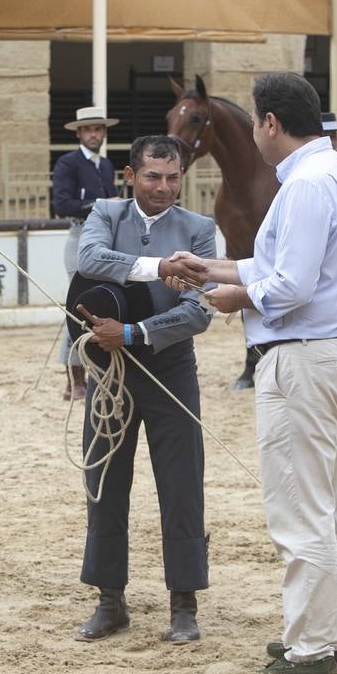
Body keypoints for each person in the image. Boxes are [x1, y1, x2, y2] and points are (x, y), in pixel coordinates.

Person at [165, 73, 337, 674]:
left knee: (299, 508)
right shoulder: (332, 173)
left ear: (271, 123)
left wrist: (233, 297)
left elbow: (288, 286)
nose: (254, 132)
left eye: (256, 121)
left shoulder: (305, 185)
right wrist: (215, 268)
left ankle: (312, 646)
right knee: (330, 504)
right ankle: (327, 632)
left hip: (303, 360)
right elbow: (278, 263)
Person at [71, 134, 216, 645]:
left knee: (181, 485)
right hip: (110, 373)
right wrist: (160, 269)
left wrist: (132, 333)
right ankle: (110, 600)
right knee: (105, 481)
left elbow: (199, 310)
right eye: (153, 176)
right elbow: (89, 259)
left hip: (170, 365)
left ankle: (184, 603)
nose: (164, 187)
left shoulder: (199, 229)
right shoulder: (107, 215)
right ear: (130, 176)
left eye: (173, 177)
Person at [52, 106, 121, 400]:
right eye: (89, 129)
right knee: (79, 308)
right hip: (80, 236)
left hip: (104, 238)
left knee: (99, 306)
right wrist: (103, 204)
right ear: (79, 133)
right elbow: (62, 204)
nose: (94, 134)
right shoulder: (67, 163)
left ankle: (93, 373)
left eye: (99, 129)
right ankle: (74, 380)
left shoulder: (105, 165)